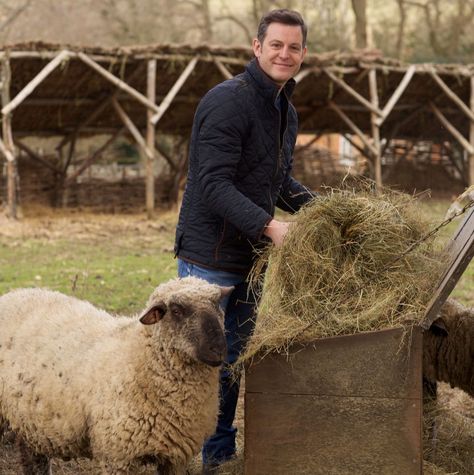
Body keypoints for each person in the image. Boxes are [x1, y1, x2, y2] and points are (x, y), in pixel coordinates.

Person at [174, 8, 316, 473]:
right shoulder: (227, 102)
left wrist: (323, 214)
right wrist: (272, 226)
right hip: (210, 256)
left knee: (234, 358)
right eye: (276, 44)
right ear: (257, 48)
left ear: (303, 53)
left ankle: (216, 456)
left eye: (294, 47)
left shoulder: (285, 111)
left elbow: (274, 182)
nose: (285, 54)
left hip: (251, 258)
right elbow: (213, 184)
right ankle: (175, 449)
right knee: (199, 359)